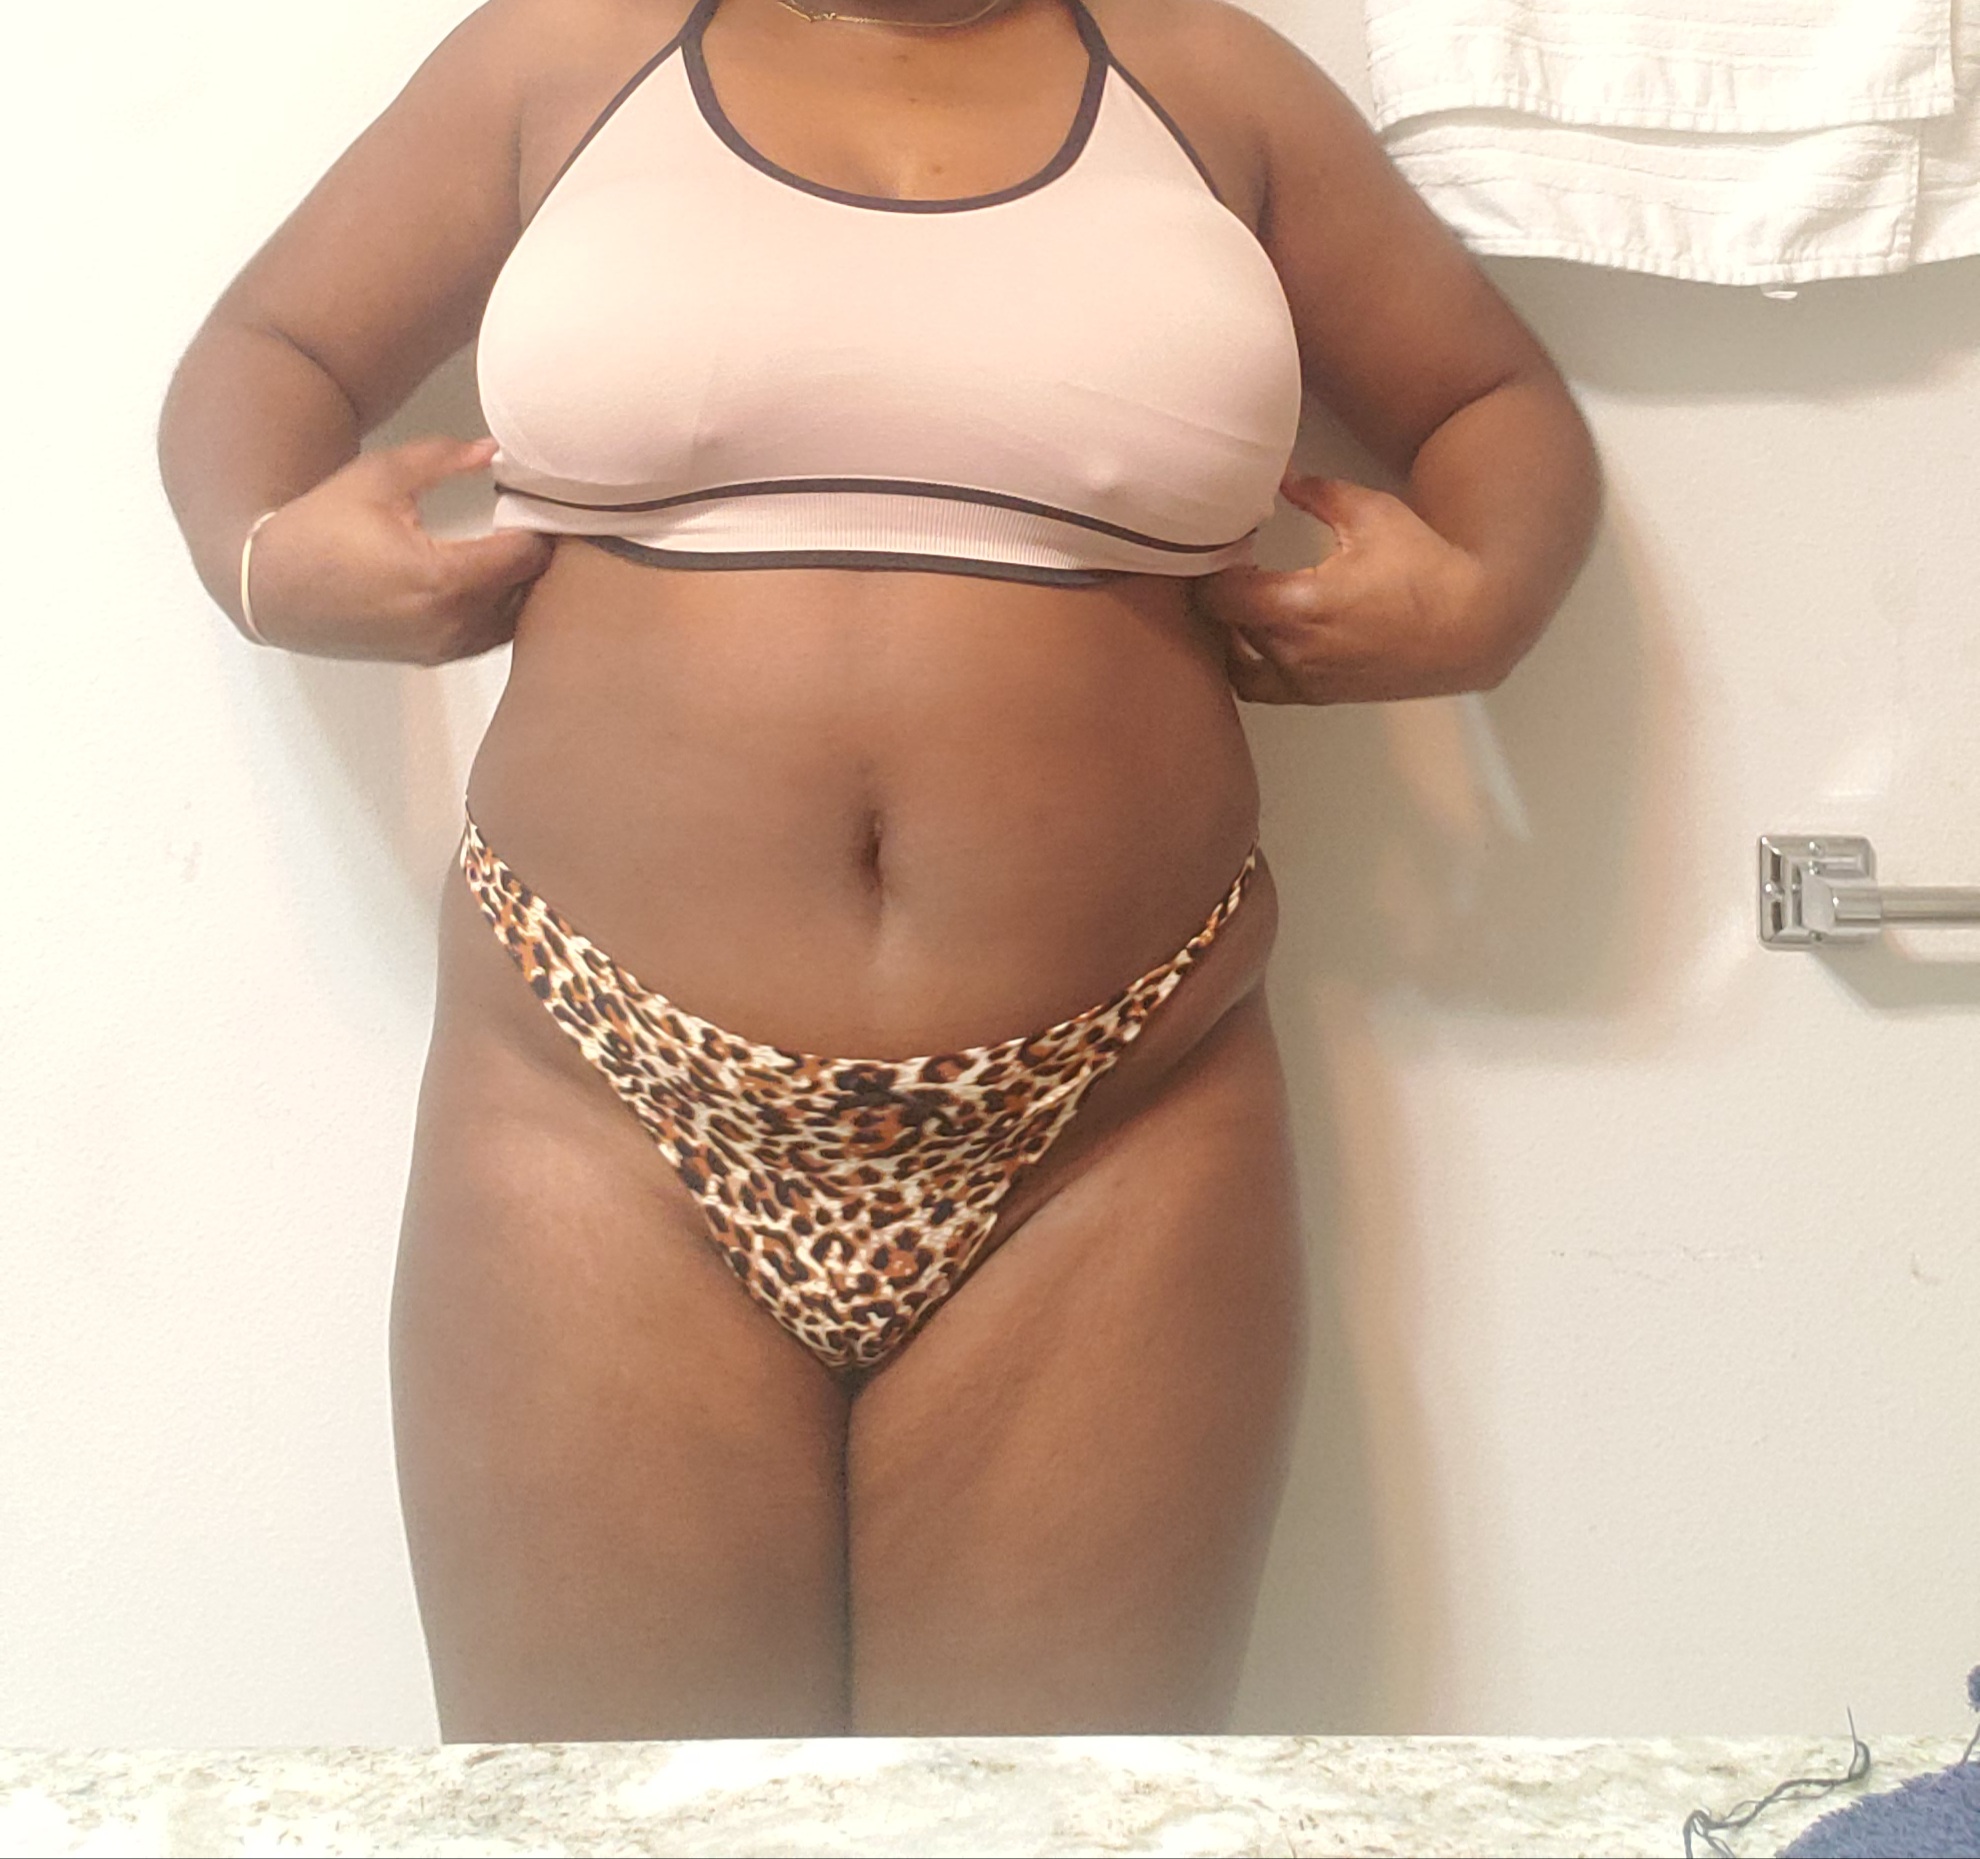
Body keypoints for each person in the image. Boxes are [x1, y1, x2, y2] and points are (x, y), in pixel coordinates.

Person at [157, 0, 1600, 1740]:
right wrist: (264, 562)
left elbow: (1494, 402)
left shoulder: (1214, 83)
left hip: (1116, 1122)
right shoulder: (558, 52)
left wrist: (1490, 601)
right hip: (591, 1099)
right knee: (614, 1838)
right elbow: (266, 350)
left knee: (1048, 1838)